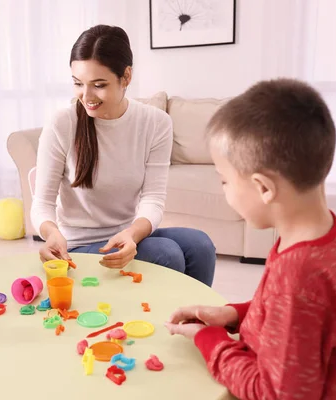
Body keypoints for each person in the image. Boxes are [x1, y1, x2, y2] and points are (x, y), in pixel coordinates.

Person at [164, 78, 336, 399]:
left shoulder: (298, 274)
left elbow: (274, 392)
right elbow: (298, 319)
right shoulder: (335, 237)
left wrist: (209, 341)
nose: (224, 191)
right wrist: (234, 315)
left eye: (224, 181)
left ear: (263, 188)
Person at [30, 24, 216, 286]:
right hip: (78, 245)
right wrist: (51, 233)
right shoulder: (63, 123)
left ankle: (195, 323)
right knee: (166, 254)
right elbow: (42, 204)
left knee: (200, 245)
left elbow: (153, 198)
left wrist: (132, 234)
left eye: (99, 85)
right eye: (78, 84)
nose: (87, 96)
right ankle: (156, 322)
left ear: (126, 77)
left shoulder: (155, 122)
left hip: (125, 233)